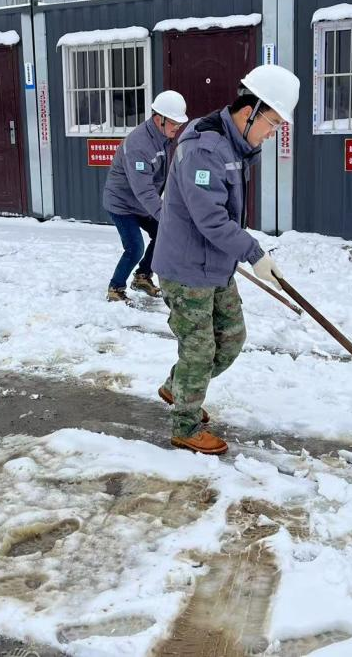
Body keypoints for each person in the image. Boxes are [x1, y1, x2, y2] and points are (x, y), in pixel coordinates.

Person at [152, 65, 300, 455]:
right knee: (199, 350)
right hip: (186, 269)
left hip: (215, 264)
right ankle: (185, 425)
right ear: (250, 111)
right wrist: (254, 253)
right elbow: (212, 219)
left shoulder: (233, 145)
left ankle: (179, 387)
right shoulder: (205, 149)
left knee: (231, 339)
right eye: (272, 123)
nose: (272, 133)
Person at [102, 90, 189, 302]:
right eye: (174, 123)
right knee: (135, 248)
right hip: (122, 204)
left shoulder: (162, 136)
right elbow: (143, 189)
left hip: (142, 203)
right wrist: (164, 214)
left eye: (180, 124)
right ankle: (115, 288)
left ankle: (142, 276)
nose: (177, 128)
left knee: (162, 234)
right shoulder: (138, 145)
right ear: (159, 119)